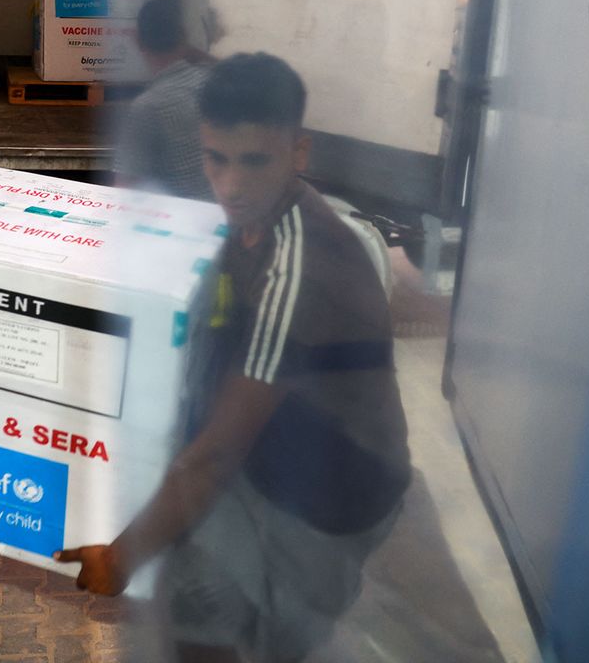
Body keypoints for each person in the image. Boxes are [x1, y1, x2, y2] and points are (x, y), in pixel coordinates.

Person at [58, 53, 410, 662]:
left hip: (330, 504)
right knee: (189, 581)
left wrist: (118, 558)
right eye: (216, 159)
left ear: (298, 152)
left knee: (249, 623)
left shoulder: (298, 269)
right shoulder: (246, 226)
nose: (231, 185)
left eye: (254, 161)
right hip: (278, 450)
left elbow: (214, 457)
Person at [114, 0, 215, 201]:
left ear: (137, 40)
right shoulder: (214, 81)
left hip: (181, 221)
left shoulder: (148, 107)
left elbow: (124, 191)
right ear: (184, 37)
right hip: (224, 218)